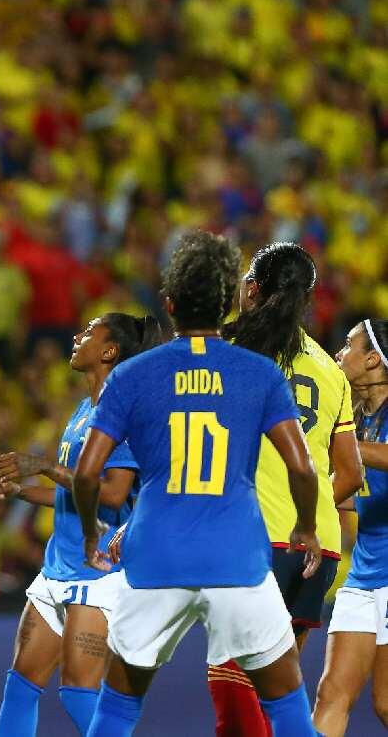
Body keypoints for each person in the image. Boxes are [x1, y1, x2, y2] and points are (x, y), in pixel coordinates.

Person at [71, 230, 321, 736]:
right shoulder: (258, 373)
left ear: (168, 304)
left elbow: (87, 472)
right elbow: (302, 468)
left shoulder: (132, 375)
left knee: (118, 709)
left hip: (155, 557)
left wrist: (92, 534)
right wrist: (306, 526)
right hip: (238, 561)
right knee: (287, 706)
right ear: (230, 299)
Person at [0, 313, 162, 736]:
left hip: (99, 571)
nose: (77, 337)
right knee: (21, 683)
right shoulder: (85, 409)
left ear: (109, 350)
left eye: (89, 332)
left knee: (79, 689)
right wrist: (20, 491)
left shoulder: (127, 413)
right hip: (57, 567)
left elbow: (113, 494)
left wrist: (42, 466)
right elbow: (76, 492)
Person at [211, 243, 364, 736]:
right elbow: (351, 472)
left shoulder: (232, 355)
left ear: (251, 290)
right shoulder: (329, 369)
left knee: (232, 677)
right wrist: (312, 507)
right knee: (277, 687)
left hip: (256, 538)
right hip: (318, 544)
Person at [312, 318, 388, 736]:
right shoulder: (353, 419)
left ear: (374, 359)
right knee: (330, 694)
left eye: (348, 345)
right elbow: (344, 494)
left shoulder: (352, 434)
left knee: (386, 703)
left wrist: (345, 449)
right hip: (362, 576)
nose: (339, 354)